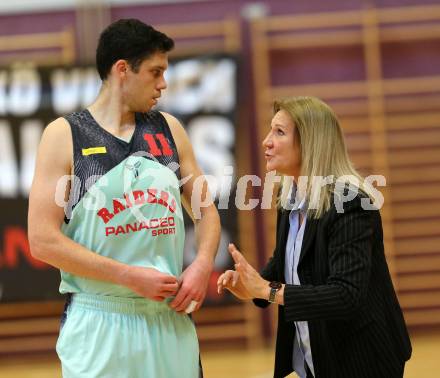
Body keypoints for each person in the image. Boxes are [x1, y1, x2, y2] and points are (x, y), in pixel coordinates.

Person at [28, 19, 220, 378]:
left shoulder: (169, 129)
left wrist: (203, 263)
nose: (163, 84)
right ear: (122, 70)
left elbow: (205, 210)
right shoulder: (63, 134)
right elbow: (42, 241)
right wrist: (126, 275)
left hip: (168, 319)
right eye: (155, 72)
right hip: (99, 319)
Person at [218, 96, 411, 378]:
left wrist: (267, 291)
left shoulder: (351, 203)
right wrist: (250, 285)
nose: (266, 142)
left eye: (279, 132)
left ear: (310, 142)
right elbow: (290, 263)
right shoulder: (288, 198)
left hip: (363, 359)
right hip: (318, 357)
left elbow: (346, 295)